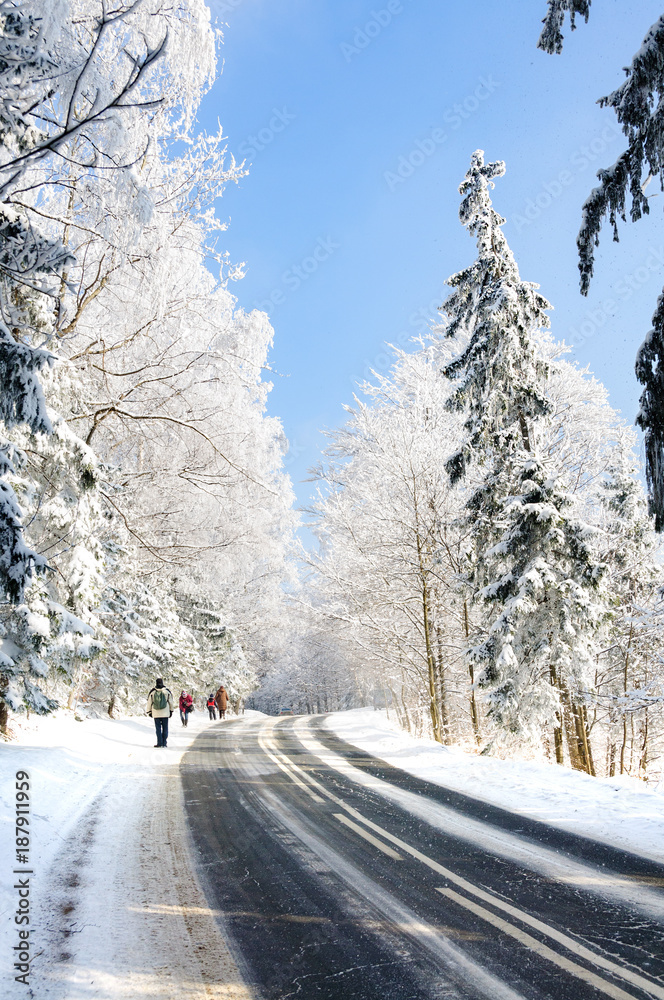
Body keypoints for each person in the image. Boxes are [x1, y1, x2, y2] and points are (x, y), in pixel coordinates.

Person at [146, 678, 174, 748]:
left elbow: (149, 702)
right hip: (165, 713)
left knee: (158, 728)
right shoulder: (167, 692)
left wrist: (149, 711)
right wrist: (171, 710)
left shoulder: (152, 692)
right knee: (165, 728)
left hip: (156, 713)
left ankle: (159, 743)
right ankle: (164, 743)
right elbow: (171, 702)